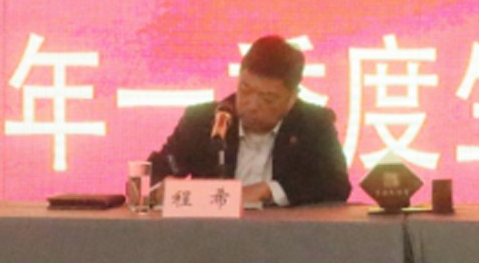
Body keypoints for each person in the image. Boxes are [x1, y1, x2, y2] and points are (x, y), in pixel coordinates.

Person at [149, 35, 352, 207]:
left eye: (268, 98)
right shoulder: (203, 121)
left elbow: (336, 184)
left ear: (292, 98)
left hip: (285, 236)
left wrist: (270, 190)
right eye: (245, 89)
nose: (252, 105)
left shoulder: (313, 124)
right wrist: (161, 188)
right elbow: (154, 171)